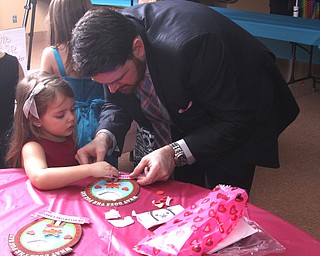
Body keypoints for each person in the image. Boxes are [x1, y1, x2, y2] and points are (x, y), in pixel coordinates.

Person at [70, 1, 300, 193]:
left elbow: (236, 121)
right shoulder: (111, 48)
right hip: (187, 107)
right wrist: (105, 136)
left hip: (243, 101)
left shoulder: (191, 47)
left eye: (118, 79)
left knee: (222, 197)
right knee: (183, 187)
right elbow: (116, 100)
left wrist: (174, 151)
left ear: (138, 48)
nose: (111, 89)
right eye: (105, 83)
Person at [5, 72, 119, 190]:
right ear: (36, 120)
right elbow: (39, 177)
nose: (71, 117)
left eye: (73, 109)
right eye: (60, 115)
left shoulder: (64, 137)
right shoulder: (32, 147)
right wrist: (89, 170)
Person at [40, 0, 118, 167]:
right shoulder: (99, 50)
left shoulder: (51, 54)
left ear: (56, 19)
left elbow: (44, 97)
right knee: (103, 167)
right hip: (103, 121)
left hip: (70, 123)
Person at [0, 51, 24, 168]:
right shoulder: (13, 63)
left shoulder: (13, 63)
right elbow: (24, 107)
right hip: (7, 140)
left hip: (7, 141)